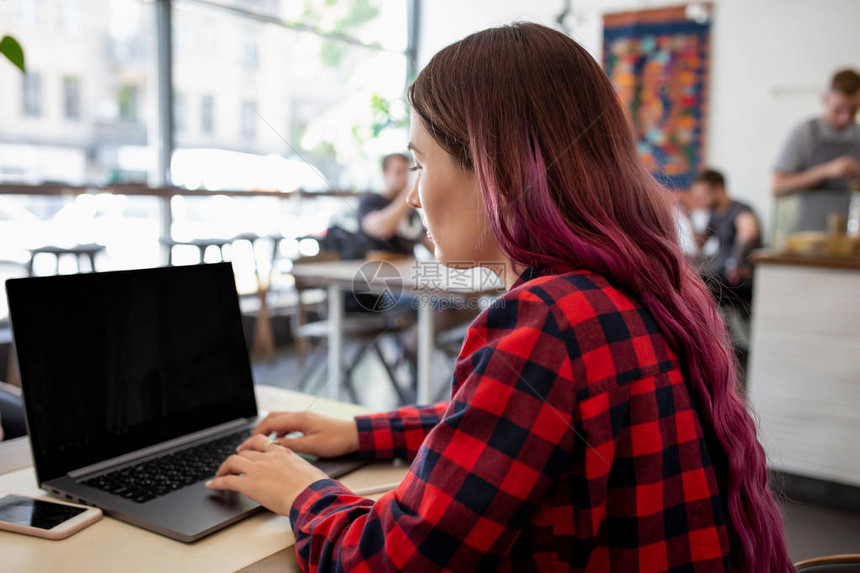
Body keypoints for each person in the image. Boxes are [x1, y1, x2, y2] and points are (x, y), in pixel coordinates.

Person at [207, 23, 792, 572]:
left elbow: (394, 560)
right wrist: (363, 432)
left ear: (495, 172)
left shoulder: (547, 319)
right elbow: (509, 417)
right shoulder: (639, 285)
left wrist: (302, 492)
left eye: (421, 163)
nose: (414, 196)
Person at [772, 68, 860, 231]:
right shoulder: (804, 133)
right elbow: (777, 187)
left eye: (853, 110)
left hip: (853, 242)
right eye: (839, 110)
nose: (845, 118)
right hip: (810, 239)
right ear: (826, 99)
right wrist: (826, 171)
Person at [690, 169, 762, 313]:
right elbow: (700, 245)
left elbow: (749, 232)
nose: (701, 201)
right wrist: (688, 218)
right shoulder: (715, 213)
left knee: (693, 288)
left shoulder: (740, 209)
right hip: (723, 276)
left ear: (718, 188)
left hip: (740, 280)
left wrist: (735, 262)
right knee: (689, 280)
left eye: (703, 195)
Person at [357, 152, 426, 256]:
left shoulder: (411, 209)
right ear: (385, 173)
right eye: (399, 172)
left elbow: (425, 240)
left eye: (407, 173)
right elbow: (379, 230)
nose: (404, 178)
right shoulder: (370, 200)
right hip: (378, 267)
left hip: (408, 266)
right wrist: (407, 196)